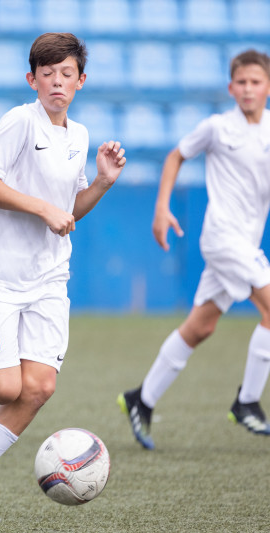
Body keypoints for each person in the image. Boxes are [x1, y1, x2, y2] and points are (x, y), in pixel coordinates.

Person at [0, 33, 126, 522]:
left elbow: (69, 211)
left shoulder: (78, 136)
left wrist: (100, 181)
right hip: (0, 277)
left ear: (81, 81)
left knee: (37, 388)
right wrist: (41, 208)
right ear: (31, 79)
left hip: (50, 279)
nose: (56, 82)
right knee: (0, 389)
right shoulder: (20, 120)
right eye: (47, 73)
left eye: (66, 74)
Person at [118, 49, 270, 451]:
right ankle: (248, 401)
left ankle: (141, 399)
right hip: (222, 238)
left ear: (267, 86)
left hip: (245, 243)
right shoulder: (218, 127)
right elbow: (175, 156)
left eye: (256, 82)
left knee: (201, 326)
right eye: (242, 82)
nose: (249, 89)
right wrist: (162, 208)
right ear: (230, 87)